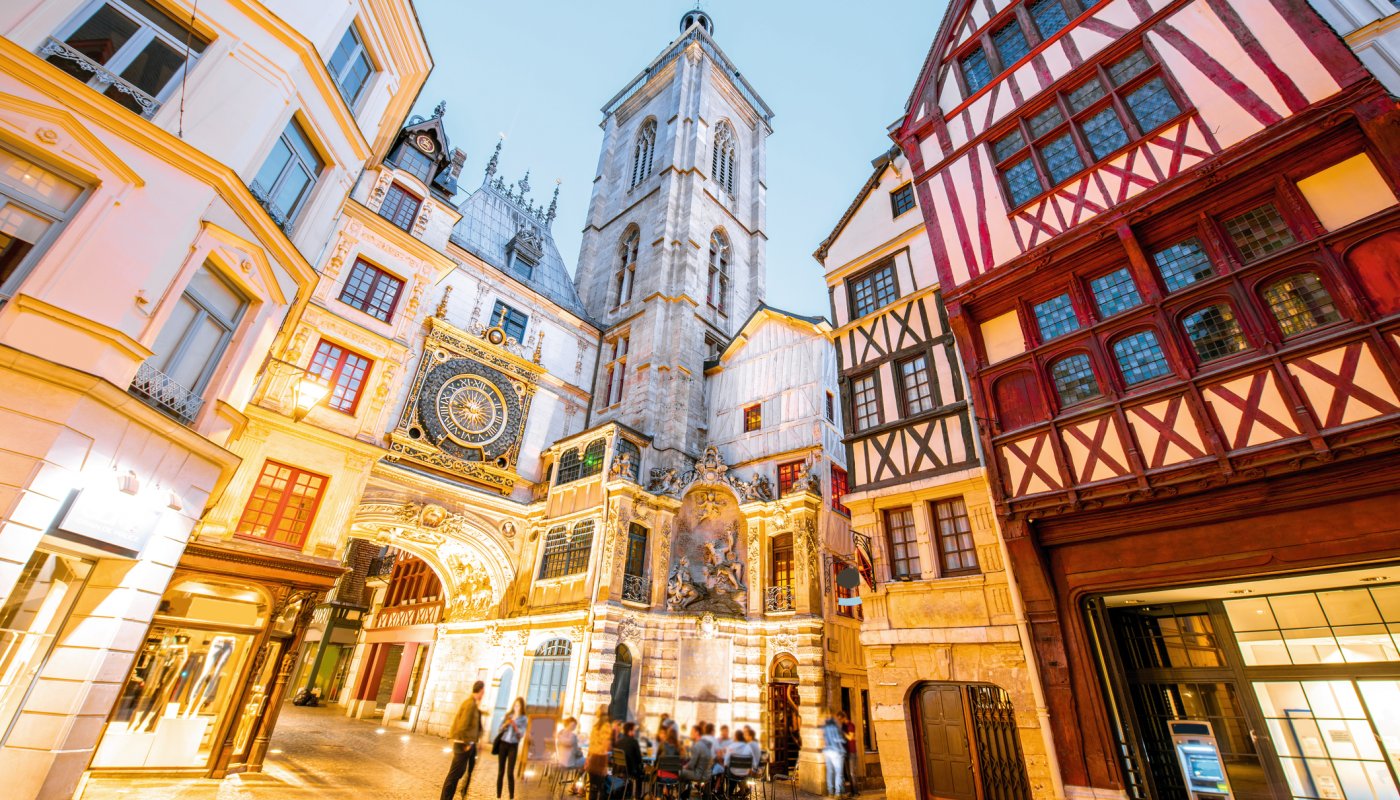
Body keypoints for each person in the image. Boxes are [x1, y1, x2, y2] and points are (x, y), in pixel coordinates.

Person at [440, 680, 485, 800]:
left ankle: (462, 791)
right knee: (454, 774)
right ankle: (445, 798)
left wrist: (476, 742)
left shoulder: (473, 704)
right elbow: (463, 726)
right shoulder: (470, 704)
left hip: (468, 744)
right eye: (483, 692)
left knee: (462, 772)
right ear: (480, 691)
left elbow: (474, 725)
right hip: (462, 744)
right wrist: (467, 744)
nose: (483, 695)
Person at [495, 697, 527, 800]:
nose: (516, 707)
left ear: (522, 707)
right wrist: (506, 724)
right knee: (501, 772)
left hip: (513, 746)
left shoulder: (523, 719)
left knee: (510, 773)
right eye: (515, 705)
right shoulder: (508, 715)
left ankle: (511, 797)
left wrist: (515, 727)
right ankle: (498, 796)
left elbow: (521, 735)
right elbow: (499, 729)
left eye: (519, 706)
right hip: (503, 744)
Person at [586, 706, 614, 800]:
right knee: (602, 788)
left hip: (592, 758)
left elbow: (590, 745)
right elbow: (606, 747)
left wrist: (587, 760)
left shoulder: (595, 727)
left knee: (593, 788)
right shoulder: (607, 726)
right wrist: (605, 765)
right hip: (600, 759)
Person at [679, 724, 714, 799]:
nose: (690, 734)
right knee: (685, 773)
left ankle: (681, 796)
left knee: (680, 772)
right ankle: (685, 794)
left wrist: (683, 767)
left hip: (699, 774)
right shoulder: (706, 744)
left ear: (697, 733)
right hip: (707, 773)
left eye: (692, 732)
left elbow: (691, 765)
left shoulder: (697, 745)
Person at [617, 721, 646, 798]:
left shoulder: (619, 741)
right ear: (630, 731)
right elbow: (639, 759)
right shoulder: (634, 742)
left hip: (619, 769)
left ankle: (628, 793)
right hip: (630, 770)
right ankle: (638, 797)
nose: (635, 732)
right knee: (640, 773)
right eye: (634, 730)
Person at [822, 716, 846, 798]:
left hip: (827, 752)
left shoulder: (825, 729)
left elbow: (825, 741)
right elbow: (838, 740)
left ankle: (830, 792)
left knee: (830, 772)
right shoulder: (836, 728)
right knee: (838, 773)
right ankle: (838, 793)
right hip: (836, 752)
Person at [837, 711, 858, 797]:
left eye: (840, 719)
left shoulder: (851, 725)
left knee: (852, 773)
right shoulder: (843, 726)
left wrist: (843, 733)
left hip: (852, 752)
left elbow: (850, 737)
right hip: (845, 752)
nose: (839, 721)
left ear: (843, 718)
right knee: (848, 773)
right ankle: (852, 792)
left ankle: (856, 792)